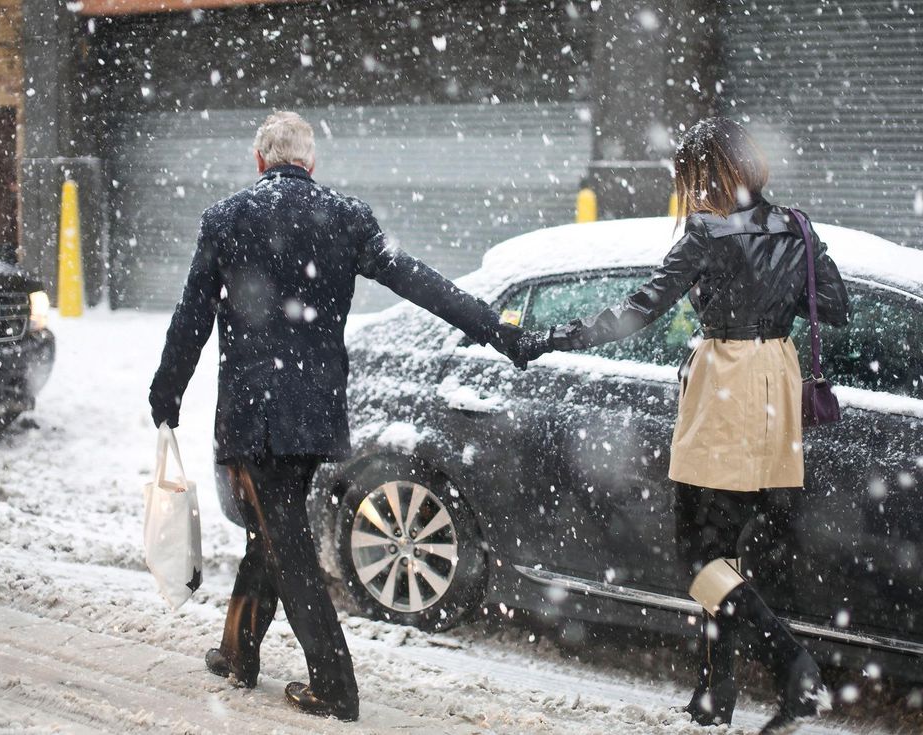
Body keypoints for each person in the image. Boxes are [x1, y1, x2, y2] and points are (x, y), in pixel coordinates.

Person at [148, 111, 524, 722]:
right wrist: (493, 329)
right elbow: (422, 283)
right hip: (313, 412)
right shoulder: (346, 218)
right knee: (272, 527)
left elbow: (190, 321)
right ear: (311, 163)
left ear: (259, 160)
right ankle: (237, 651)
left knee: (285, 540)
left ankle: (334, 683)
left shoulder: (225, 220)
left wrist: (166, 394)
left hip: (255, 416)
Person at [515, 117, 849, 734]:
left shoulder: (706, 233)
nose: (690, 191)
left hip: (726, 384)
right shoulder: (796, 227)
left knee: (696, 557)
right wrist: (774, 290)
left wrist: (552, 338)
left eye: (692, 177)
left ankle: (794, 666)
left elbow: (639, 309)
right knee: (727, 552)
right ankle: (713, 697)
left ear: (709, 174)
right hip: (776, 383)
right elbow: (834, 306)